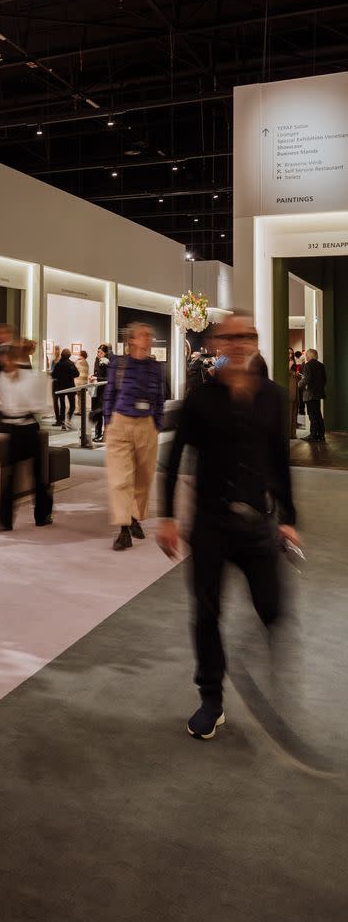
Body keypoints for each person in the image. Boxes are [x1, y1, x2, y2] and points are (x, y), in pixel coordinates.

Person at [158, 313, 299, 740]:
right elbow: (175, 456)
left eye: (248, 336)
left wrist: (290, 519)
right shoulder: (201, 398)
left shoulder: (274, 398)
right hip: (211, 524)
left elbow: (280, 461)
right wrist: (167, 516)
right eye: (231, 337)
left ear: (255, 343)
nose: (239, 343)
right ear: (218, 344)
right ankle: (211, 700)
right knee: (206, 613)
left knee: (273, 609)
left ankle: (247, 662)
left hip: (259, 525)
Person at [102, 322, 166, 551]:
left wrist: (156, 424)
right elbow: (109, 393)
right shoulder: (118, 364)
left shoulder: (155, 367)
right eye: (144, 335)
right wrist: (108, 422)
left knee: (143, 476)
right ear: (132, 340)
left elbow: (160, 398)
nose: (149, 339)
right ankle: (123, 528)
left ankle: (136, 516)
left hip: (146, 425)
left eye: (150, 335)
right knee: (120, 478)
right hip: (120, 423)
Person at [0, 338, 53, 531]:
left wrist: (29, 405)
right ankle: (4, 520)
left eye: (8, 357)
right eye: (3, 358)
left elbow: (42, 405)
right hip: (12, 429)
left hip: (29, 428)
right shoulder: (0, 380)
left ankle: (42, 515)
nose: (5, 361)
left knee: (38, 475)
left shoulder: (32, 378)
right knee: (9, 476)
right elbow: (1, 404)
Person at [302, 348, 327, 442]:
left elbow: (307, 379)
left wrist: (299, 383)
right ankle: (321, 435)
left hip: (310, 394)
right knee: (318, 414)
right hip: (318, 393)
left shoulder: (307, 365)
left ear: (309, 355)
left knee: (312, 415)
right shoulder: (321, 365)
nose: (306, 357)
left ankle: (313, 435)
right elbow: (324, 380)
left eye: (306, 355)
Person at [51, 347, 79, 429]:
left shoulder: (58, 364)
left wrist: (60, 377)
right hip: (70, 386)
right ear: (69, 355)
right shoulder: (71, 364)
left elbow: (53, 375)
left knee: (62, 405)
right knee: (72, 405)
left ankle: (63, 422)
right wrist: (70, 376)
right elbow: (77, 374)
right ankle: (68, 418)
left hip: (61, 387)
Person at [90, 343, 111, 442]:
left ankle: (105, 435)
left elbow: (109, 378)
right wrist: (92, 377)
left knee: (104, 413)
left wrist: (96, 377)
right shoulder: (96, 360)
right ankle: (97, 434)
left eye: (101, 352)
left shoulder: (108, 362)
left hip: (105, 391)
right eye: (98, 352)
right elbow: (96, 373)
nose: (98, 354)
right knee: (97, 412)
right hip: (97, 390)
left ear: (105, 353)